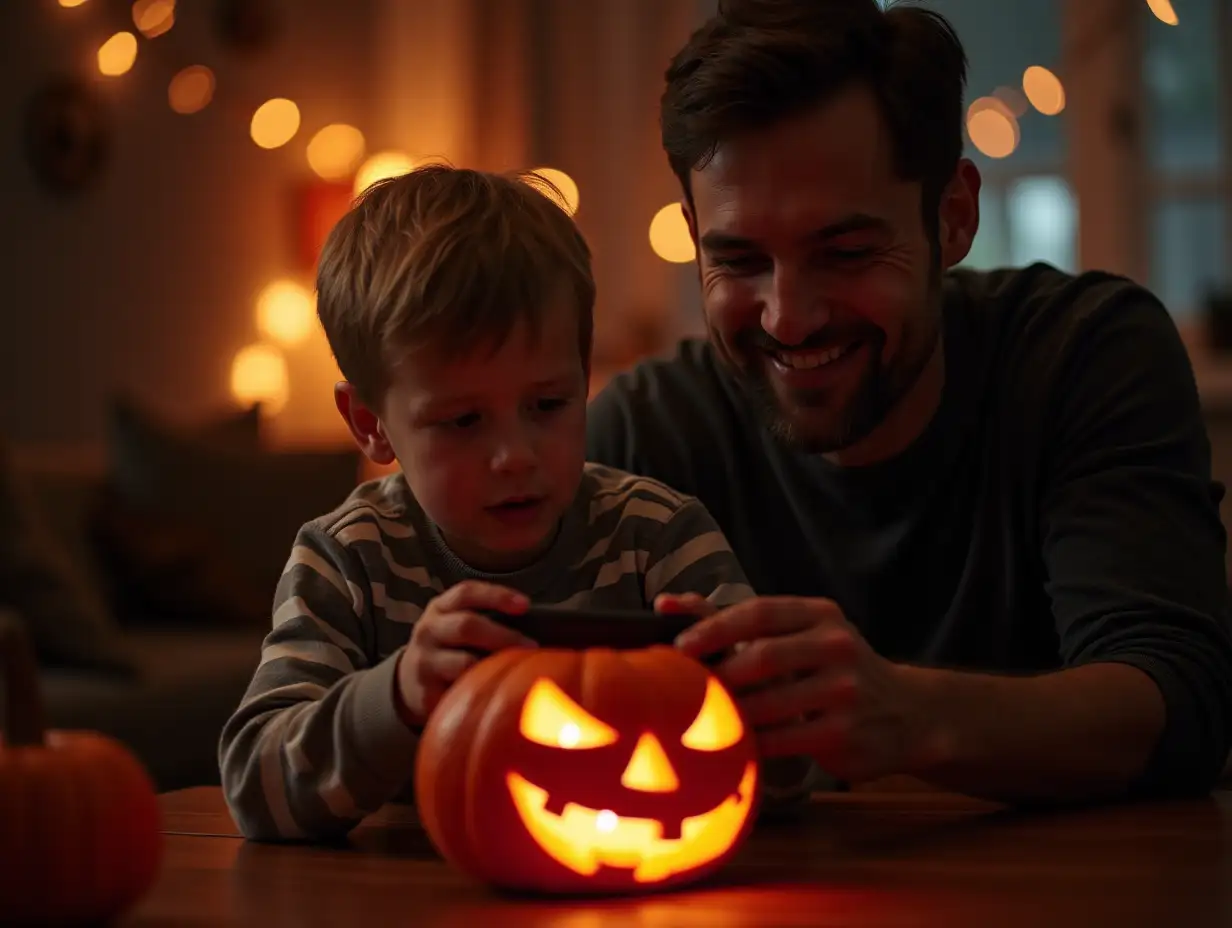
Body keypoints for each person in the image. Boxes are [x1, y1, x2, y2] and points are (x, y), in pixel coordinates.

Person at [586, 0, 1232, 804]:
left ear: (954, 216)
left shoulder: (1084, 356)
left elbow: (1183, 707)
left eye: (847, 252)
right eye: (740, 260)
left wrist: (909, 717)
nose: (788, 316)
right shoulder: (647, 433)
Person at [219, 165, 758, 841]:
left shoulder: (656, 538)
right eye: (464, 421)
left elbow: (793, 768)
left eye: (547, 405)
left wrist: (736, 690)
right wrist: (397, 695)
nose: (516, 455)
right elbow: (254, 789)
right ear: (370, 422)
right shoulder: (347, 560)